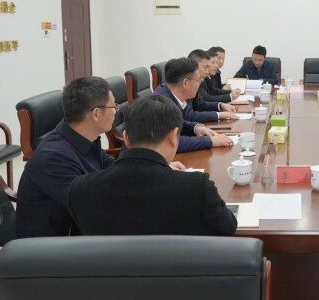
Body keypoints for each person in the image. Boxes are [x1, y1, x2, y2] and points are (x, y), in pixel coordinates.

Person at [69, 95, 237, 236]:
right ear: (173, 137)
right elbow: (228, 228)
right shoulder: (197, 187)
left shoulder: (80, 189)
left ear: (126, 138)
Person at [16, 77, 131, 237]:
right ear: (96, 113)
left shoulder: (85, 138)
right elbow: (93, 207)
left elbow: (113, 168)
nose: (116, 110)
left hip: (79, 229)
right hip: (49, 246)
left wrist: (147, 168)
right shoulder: (54, 158)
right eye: (114, 106)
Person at [154, 58, 235, 152]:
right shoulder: (161, 104)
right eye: (198, 80)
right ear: (185, 83)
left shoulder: (171, 94)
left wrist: (195, 128)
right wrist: (210, 141)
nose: (200, 84)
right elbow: (170, 142)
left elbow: (177, 122)